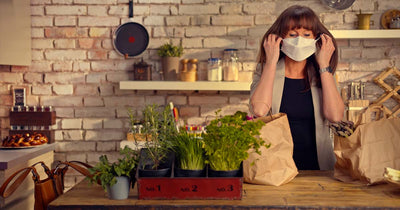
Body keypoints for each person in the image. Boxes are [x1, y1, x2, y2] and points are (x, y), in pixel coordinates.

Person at [249, 5, 344, 170]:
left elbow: (335, 116)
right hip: (275, 167)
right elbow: (259, 110)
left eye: (307, 35)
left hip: (318, 166)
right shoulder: (265, 70)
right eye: (292, 34)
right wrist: (271, 61)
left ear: (317, 39)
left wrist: (324, 65)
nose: (299, 40)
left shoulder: (323, 74)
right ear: (280, 39)